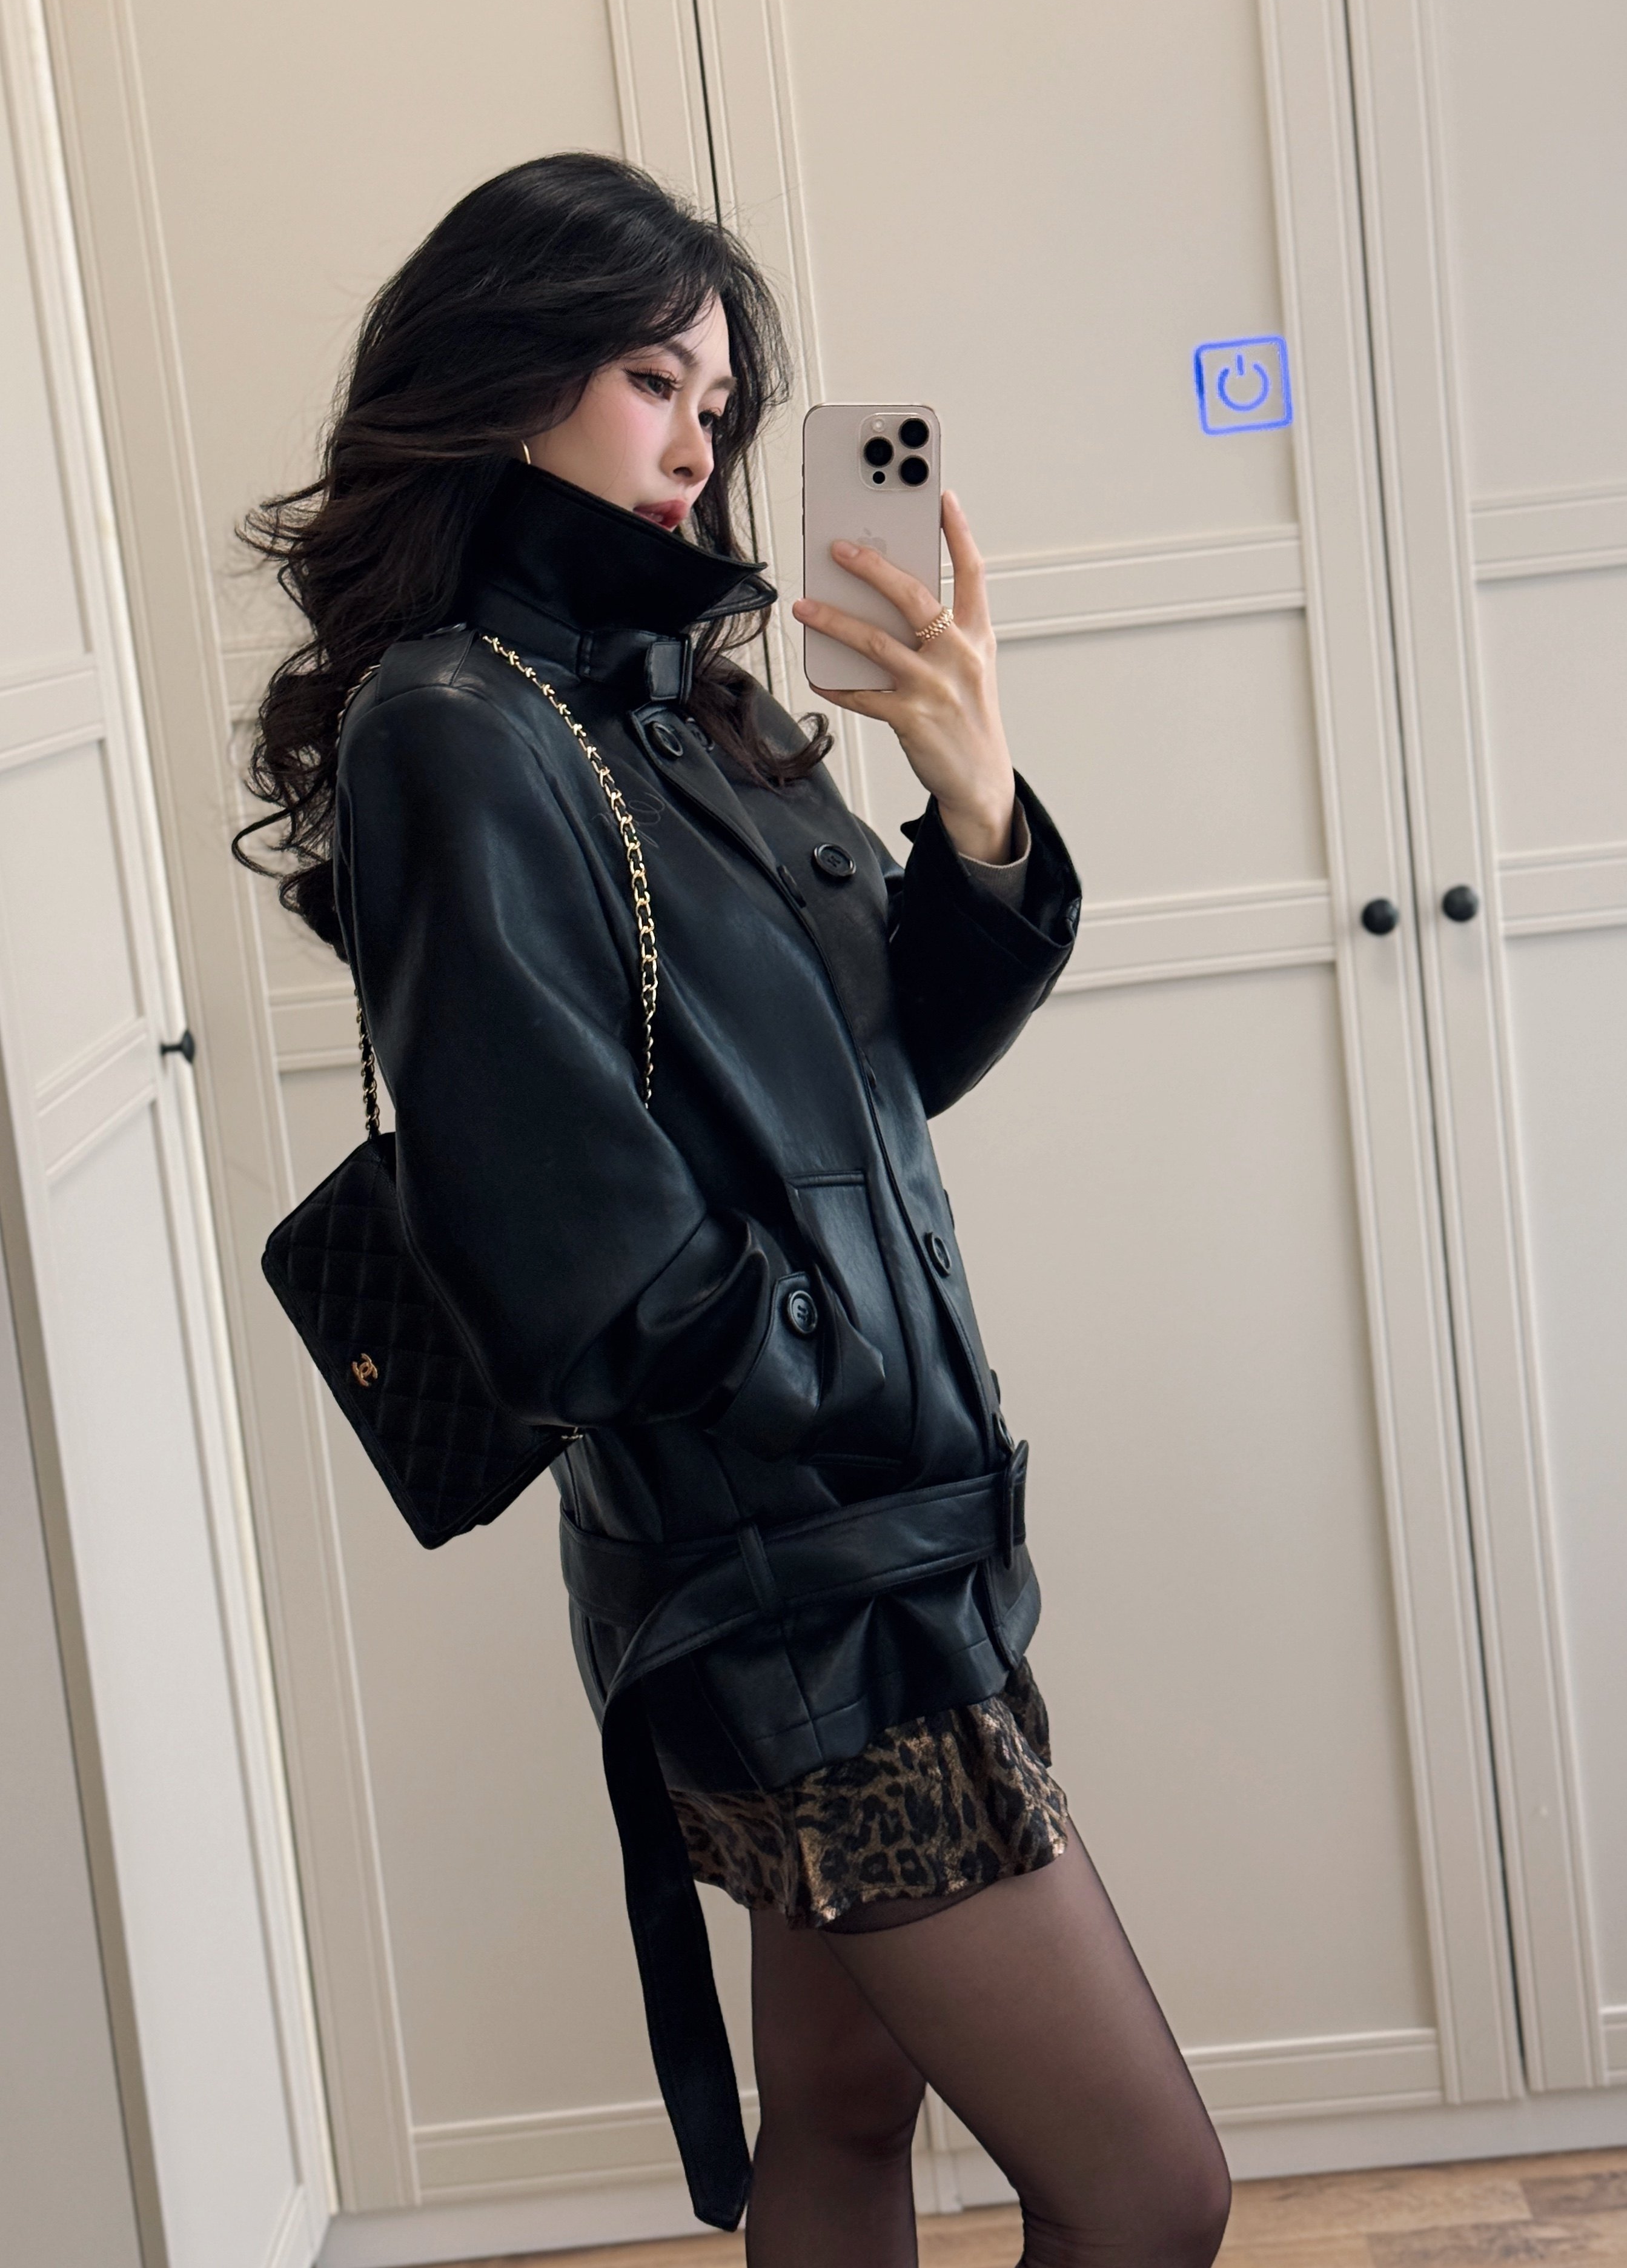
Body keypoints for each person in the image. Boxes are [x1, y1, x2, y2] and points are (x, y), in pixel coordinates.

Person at [237, 153, 1230, 2268]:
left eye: (717, 396)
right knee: (1151, 2197)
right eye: (650, 380)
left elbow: (887, 1069)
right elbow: (569, 1261)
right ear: (509, 380)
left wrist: (972, 799)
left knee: (846, 2119)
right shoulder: (458, 730)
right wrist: (840, 1374)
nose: (700, 440)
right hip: (798, 1584)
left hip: (875, 1548)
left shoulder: (686, 689)